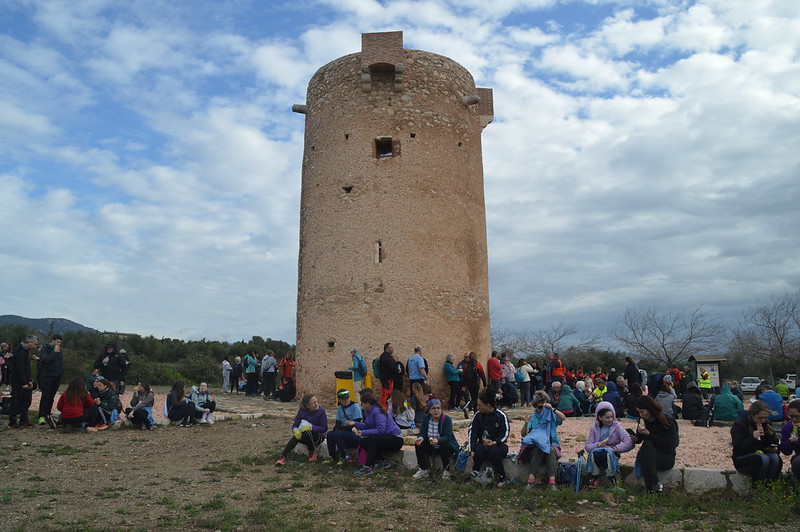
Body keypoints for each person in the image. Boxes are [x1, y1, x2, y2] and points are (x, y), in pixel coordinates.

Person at [631, 395, 679, 493]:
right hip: (650, 454)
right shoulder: (643, 420)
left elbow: (671, 443)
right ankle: (653, 486)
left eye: (642, 412)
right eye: (639, 412)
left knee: (646, 447)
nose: (640, 415)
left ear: (650, 410)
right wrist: (636, 438)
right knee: (643, 453)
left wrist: (649, 435)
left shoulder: (666, 419)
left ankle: (652, 483)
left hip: (666, 456)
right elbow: (641, 439)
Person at [352, 391, 404, 476]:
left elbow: (381, 430)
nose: (362, 405)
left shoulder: (378, 412)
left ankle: (368, 466)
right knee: (363, 441)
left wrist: (363, 432)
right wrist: (355, 424)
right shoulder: (368, 412)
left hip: (395, 439)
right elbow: (368, 426)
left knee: (372, 439)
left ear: (368, 403)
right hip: (384, 438)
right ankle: (381, 461)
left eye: (363, 403)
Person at [521, 390, 565, 490]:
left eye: (544, 406)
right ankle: (532, 480)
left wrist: (553, 409)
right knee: (540, 448)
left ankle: (551, 482)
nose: (542, 409)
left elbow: (563, 418)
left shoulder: (551, 415)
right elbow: (524, 434)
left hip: (551, 445)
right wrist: (526, 424)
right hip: (535, 447)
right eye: (540, 407)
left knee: (549, 449)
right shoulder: (532, 418)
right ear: (535, 406)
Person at [584, 401, 634, 488]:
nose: (610, 419)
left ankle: (612, 478)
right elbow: (588, 446)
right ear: (600, 417)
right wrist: (597, 445)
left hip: (611, 453)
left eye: (611, 417)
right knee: (594, 453)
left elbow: (629, 442)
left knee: (606, 453)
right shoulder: (594, 428)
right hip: (598, 453)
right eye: (607, 417)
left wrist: (615, 448)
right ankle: (594, 477)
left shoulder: (617, 427)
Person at [466, 391, 511, 487]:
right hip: (483, 444)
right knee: (479, 450)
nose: (477, 408)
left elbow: (505, 433)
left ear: (487, 405)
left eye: (479, 405)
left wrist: (495, 442)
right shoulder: (478, 416)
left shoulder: (500, 416)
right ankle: (475, 472)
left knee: (493, 451)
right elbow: (472, 433)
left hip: (499, 445)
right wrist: (472, 450)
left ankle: (502, 476)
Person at [731, 400, 782, 483]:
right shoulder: (740, 425)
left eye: (765, 418)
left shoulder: (767, 424)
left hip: (762, 452)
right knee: (762, 459)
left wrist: (773, 447)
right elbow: (738, 448)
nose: (763, 421)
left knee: (775, 458)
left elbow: (773, 442)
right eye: (760, 418)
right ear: (752, 415)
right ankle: (756, 488)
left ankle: (770, 486)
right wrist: (752, 438)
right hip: (743, 457)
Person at [412, 398, 458, 480]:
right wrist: (421, 438)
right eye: (433, 408)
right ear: (429, 410)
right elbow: (423, 432)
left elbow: (447, 436)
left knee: (445, 445)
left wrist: (438, 440)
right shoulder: (426, 419)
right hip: (431, 445)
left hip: (443, 446)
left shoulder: (446, 419)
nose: (436, 411)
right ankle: (423, 470)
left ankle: (446, 470)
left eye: (438, 408)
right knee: (418, 444)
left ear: (441, 409)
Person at [275, 394, 328, 465]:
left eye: (316, 402)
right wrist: (295, 430)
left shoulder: (321, 411)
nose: (316, 404)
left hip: (317, 436)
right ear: (307, 405)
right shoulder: (302, 411)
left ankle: (312, 452)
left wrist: (312, 428)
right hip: (304, 435)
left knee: (307, 432)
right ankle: (283, 456)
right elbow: (295, 425)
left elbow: (324, 428)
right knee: (296, 436)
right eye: (313, 403)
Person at [7, 335, 38, 429]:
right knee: (16, 401)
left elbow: (25, 368)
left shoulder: (25, 352)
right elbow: (19, 368)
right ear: (30, 342)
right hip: (18, 381)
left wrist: (29, 381)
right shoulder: (19, 352)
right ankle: (12, 422)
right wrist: (24, 382)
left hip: (25, 380)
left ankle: (24, 420)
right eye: (35, 344)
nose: (36, 346)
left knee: (26, 401)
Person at [325, 389, 363, 464]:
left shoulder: (355, 407)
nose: (346, 400)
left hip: (354, 434)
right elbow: (337, 424)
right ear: (339, 400)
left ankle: (343, 456)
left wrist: (341, 429)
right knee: (330, 434)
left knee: (338, 433)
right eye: (343, 399)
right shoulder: (340, 409)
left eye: (347, 398)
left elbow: (356, 424)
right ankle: (332, 457)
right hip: (343, 433)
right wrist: (338, 429)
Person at [36, 333, 65, 425]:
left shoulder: (59, 351)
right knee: (45, 396)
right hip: (47, 375)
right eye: (57, 342)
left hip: (57, 376)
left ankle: (48, 414)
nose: (58, 344)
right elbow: (45, 359)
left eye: (60, 342)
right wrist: (54, 352)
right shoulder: (45, 348)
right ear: (52, 341)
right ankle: (41, 416)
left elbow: (60, 362)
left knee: (52, 396)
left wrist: (61, 372)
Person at [779, 399, 800, 481]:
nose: (794, 419)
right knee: (797, 461)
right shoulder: (788, 427)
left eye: (797, 416)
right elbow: (786, 451)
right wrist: (790, 441)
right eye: (791, 416)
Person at [460, 352, 486, 417]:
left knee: (473, 397)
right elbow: (482, 374)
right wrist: (485, 384)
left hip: (469, 384)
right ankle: (468, 408)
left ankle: (475, 412)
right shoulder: (477, 364)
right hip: (476, 383)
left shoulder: (466, 365)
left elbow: (464, 375)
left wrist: (463, 385)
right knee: (475, 398)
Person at [378, 343, 396, 408]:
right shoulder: (388, 358)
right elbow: (392, 368)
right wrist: (397, 369)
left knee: (383, 393)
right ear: (387, 348)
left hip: (383, 378)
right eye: (391, 347)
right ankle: (386, 408)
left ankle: (382, 406)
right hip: (388, 379)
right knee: (387, 394)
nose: (392, 349)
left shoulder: (382, 356)